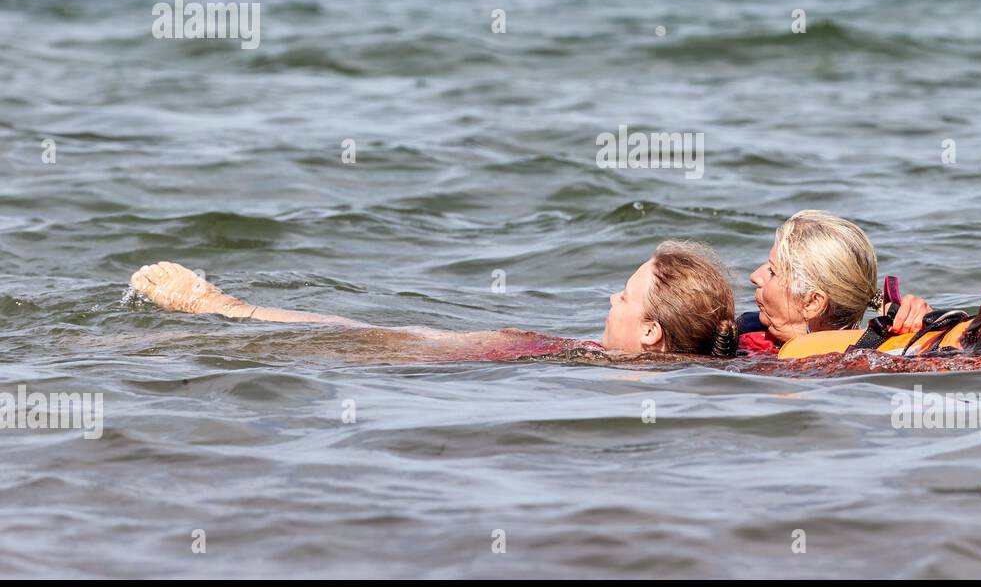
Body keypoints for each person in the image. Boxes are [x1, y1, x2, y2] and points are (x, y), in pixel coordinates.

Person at [129, 240, 739, 361]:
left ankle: (224, 308)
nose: (611, 296)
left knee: (368, 335)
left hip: (513, 358)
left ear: (652, 334)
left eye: (624, 296)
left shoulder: (586, 360)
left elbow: (377, 339)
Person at [739, 210, 931, 354]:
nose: (755, 276)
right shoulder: (740, 334)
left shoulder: (865, 358)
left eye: (772, 272)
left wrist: (928, 323)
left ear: (812, 302)